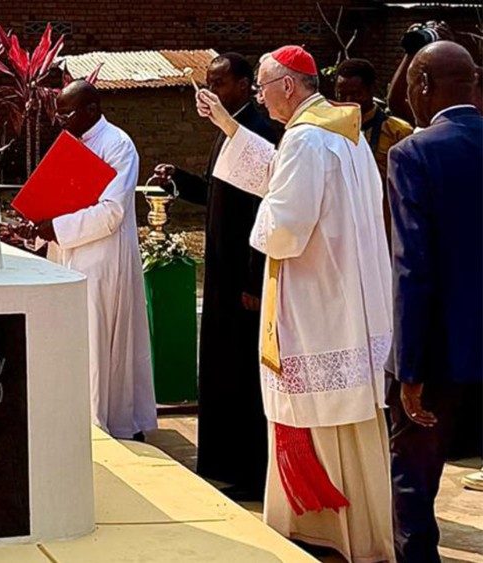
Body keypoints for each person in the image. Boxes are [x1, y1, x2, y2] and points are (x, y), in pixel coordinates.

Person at [197, 46, 394, 562]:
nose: (260, 98)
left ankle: (323, 530)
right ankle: (357, 532)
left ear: (287, 86)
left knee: (319, 418)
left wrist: (257, 225)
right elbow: (284, 176)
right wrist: (229, 128)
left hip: (316, 306)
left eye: (263, 87)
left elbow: (284, 229)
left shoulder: (306, 140)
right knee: (345, 425)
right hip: (343, 299)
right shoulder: (344, 133)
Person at [148, 53, 281, 499]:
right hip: (221, 274)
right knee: (221, 369)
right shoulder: (227, 132)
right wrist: (179, 181)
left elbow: (265, 212)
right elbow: (218, 195)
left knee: (244, 376)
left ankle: (251, 471)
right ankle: (224, 463)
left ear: (245, 85)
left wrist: (254, 281)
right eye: (209, 82)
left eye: (221, 83)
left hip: (244, 277)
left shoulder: (260, 132)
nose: (212, 92)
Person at [386, 41, 483, 563]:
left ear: (422, 85)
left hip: (441, 351)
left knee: (414, 480)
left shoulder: (414, 154)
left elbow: (414, 267)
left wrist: (409, 368)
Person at [31, 79, 157, 440]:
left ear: (91, 109)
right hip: (66, 255)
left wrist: (57, 228)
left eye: (66, 114)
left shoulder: (118, 145)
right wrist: (37, 227)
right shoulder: (70, 144)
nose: (60, 122)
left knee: (96, 342)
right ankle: (72, 419)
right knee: (71, 342)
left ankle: (102, 423)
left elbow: (112, 212)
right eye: (57, 115)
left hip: (101, 259)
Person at [335, 58, 413, 231]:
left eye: (356, 94)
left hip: (384, 226)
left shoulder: (398, 132)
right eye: (341, 95)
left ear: (371, 90)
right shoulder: (330, 132)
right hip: (343, 227)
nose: (348, 101)